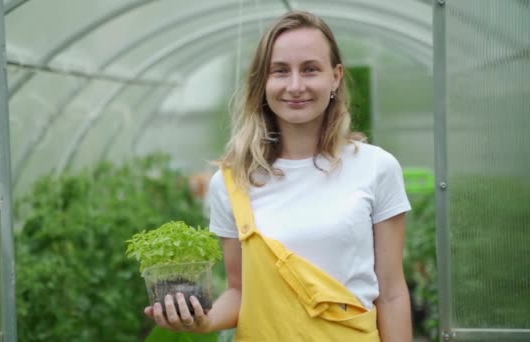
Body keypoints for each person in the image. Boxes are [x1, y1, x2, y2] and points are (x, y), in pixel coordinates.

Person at [144, 10, 412, 341]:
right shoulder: (233, 182)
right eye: (280, 71)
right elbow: (240, 292)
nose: (295, 86)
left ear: (336, 77)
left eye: (310, 69)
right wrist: (201, 320)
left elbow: (392, 293)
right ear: (263, 82)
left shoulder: (376, 167)